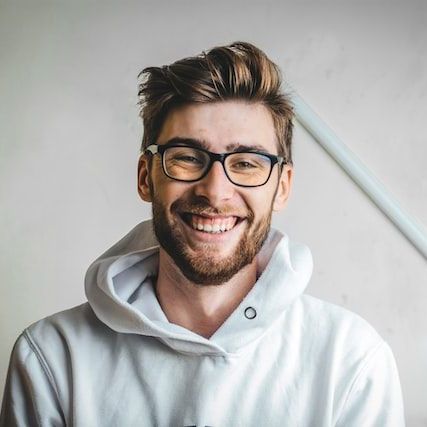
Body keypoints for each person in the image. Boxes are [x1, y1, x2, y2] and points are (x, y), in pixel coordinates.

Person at [0, 42, 405, 427]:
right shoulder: (51, 359)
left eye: (246, 162)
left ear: (282, 187)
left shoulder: (351, 363)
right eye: (188, 157)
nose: (214, 191)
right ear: (146, 177)